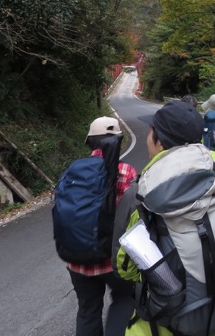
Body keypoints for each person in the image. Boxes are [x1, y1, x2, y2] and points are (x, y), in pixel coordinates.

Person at [114, 99, 215, 336]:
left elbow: (124, 268)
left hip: (164, 322)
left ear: (159, 141)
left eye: (151, 131)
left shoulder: (142, 195)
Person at [67, 117, 137, 336]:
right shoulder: (126, 172)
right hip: (114, 260)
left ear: (90, 143)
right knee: (125, 299)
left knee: (88, 309)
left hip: (78, 260)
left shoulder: (72, 173)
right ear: (118, 142)